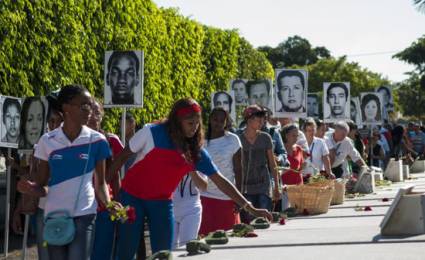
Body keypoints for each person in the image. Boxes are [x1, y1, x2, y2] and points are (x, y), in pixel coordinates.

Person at [109, 98, 271, 258]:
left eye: (197, 123)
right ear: (177, 122)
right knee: (126, 250)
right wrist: (105, 194)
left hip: (161, 201)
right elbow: (121, 158)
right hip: (132, 196)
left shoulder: (195, 151)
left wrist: (251, 208)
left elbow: (220, 181)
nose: (194, 128)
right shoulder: (150, 132)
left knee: (163, 253)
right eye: (190, 123)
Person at [17, 85, 120, 259]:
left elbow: (100, 183)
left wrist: (109, 204)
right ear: (66, 108)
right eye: (84, 105)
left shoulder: (98, 141)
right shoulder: (47, 141)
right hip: (54, 215)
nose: (89, 110)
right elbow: (43, 186)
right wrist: (30, 188)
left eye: (90, 105)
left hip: (84, 213)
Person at [88, 99, 124, 260]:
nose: (93, 116)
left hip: (104, 207)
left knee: (102, 253)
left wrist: (117, 206)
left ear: (102, 116)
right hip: (82, 208)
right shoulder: (75, 140)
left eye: (97, 112)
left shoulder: (111, 141)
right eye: (90, 111)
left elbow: (116, 177)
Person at [199, 108, 242, 235]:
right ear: (210, 120)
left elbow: (239, 170)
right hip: (205, 197)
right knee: (205, 238)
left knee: (229, 239)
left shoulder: (233, 140)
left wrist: (239, 197)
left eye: (221, 120)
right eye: (215, 119)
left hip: (227, 198)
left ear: (226, 122)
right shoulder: (200, 140)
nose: (217, 123)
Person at [238, 105, 280, 222]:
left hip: (263, 186)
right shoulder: (238, 139)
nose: (262, 121)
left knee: (264, 220)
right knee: (249, 221)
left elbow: (272, 164)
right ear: (249, 119)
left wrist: (277, 186)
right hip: (246, 188)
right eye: (259, 118)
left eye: (263, 118)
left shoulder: (265, 138)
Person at [172, 171, 207, 249]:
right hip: (169, 209)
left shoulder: (198, 159)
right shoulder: (165, 159)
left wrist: (191, 169)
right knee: (169, 250)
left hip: (191, 210)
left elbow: (203, 187)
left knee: (187, 248)